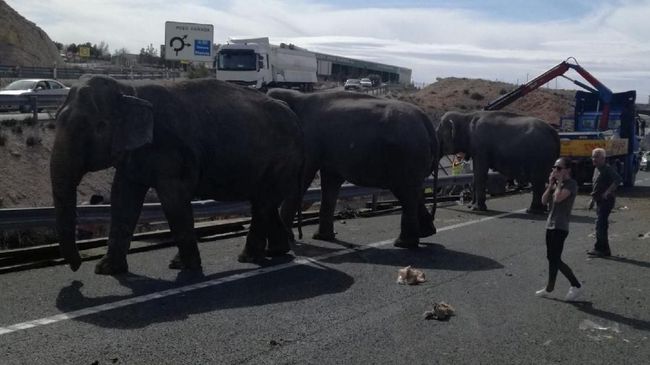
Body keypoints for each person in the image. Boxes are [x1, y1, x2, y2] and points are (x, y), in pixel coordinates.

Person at [536, 157, 582, 301]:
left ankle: (576, 285)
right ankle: (549, 287)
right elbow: (543, 201)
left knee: (555, 258)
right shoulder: (556, 184)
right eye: (554, 168)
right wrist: (550, 185)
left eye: (558, 168)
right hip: (550, 225)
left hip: (561, 226)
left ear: (567, 170)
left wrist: (560, 182)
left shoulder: (571, 184)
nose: (555, 170)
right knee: (551, 258)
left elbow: (558, 199)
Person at [588, 148, 621, 257]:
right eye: (593, 156)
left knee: (600, 224)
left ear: (603, 158)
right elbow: (596, 186)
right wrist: (592, 200)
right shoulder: (596, 169)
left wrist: (607, 192)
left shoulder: (607, 169)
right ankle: (604, 249)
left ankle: (600, 248)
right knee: (601, 224)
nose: (594, 159)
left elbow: (617, 180)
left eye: (596, 156)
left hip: (606, 201)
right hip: (599, 201)